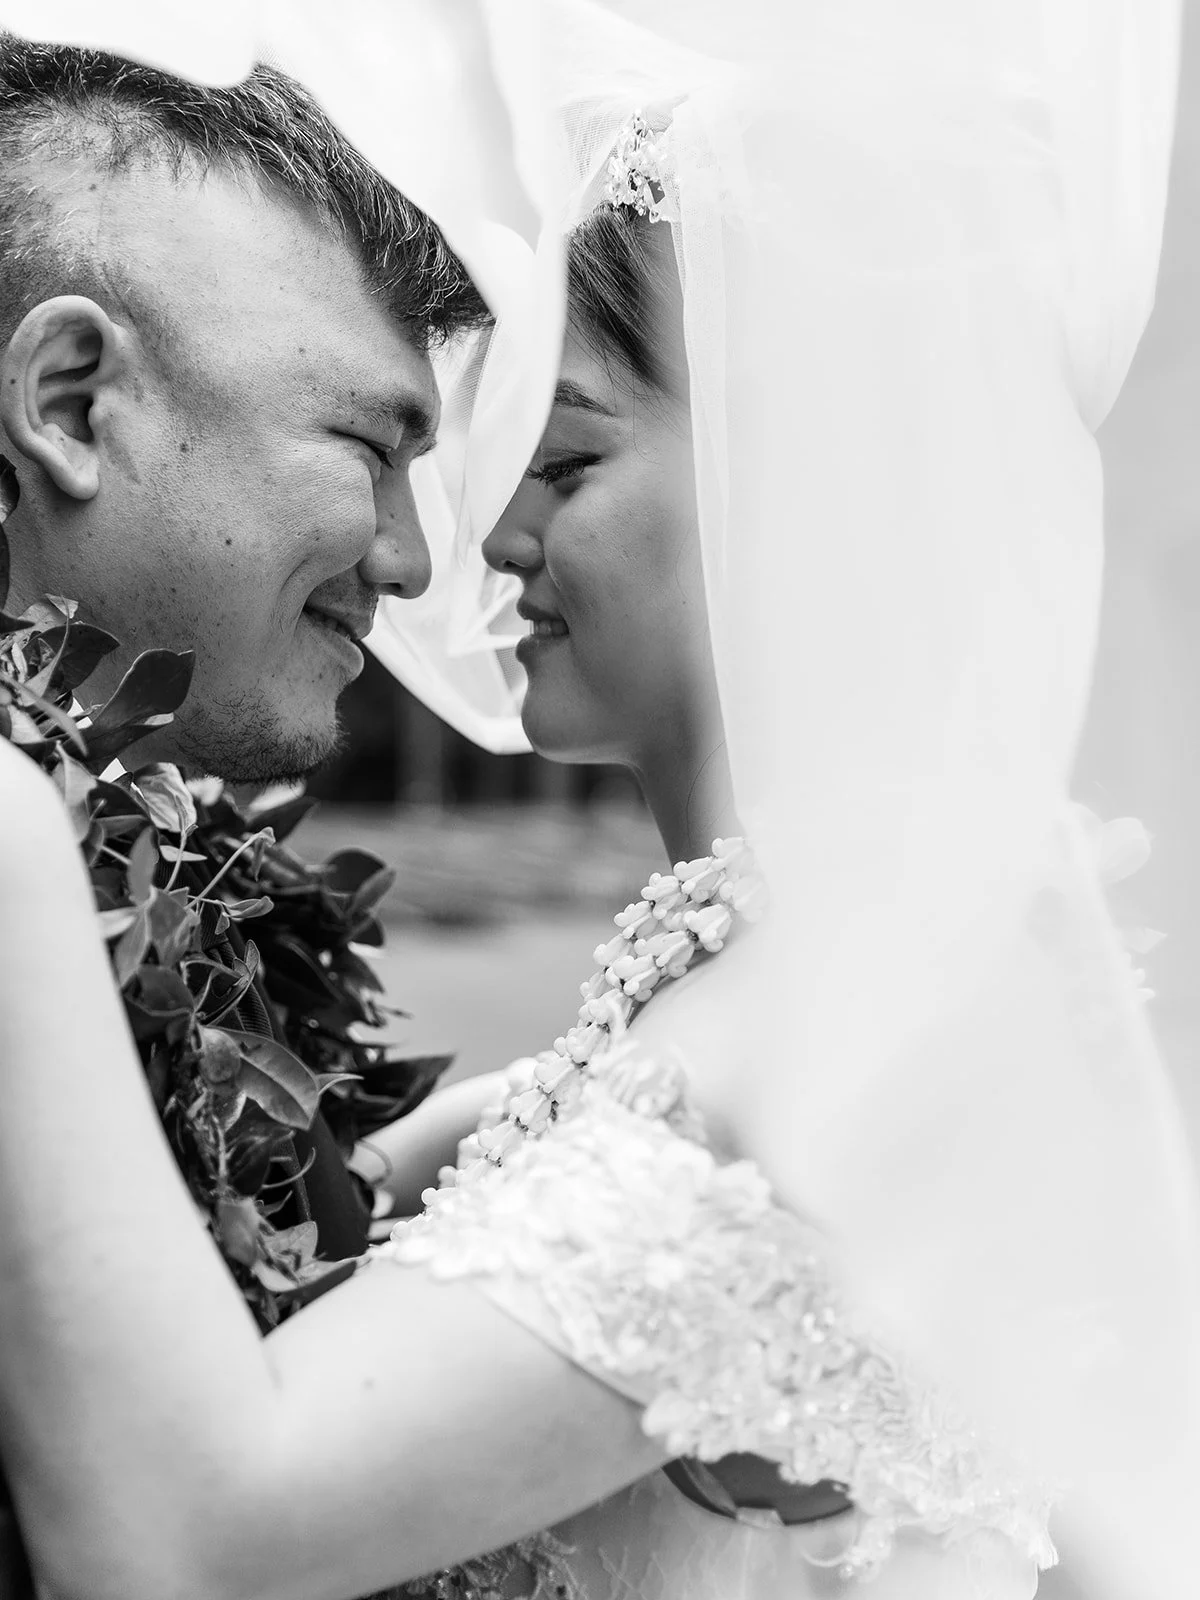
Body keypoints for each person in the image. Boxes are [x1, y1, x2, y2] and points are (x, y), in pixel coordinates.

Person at [1, 7, 1198, 1600]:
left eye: (561, 463)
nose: (481, 547)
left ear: (804, 482)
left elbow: (206, 1531)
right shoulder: (817, 975)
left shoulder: (888, 1005)